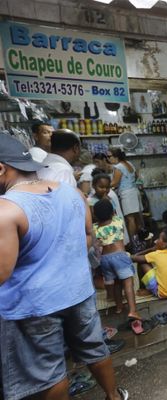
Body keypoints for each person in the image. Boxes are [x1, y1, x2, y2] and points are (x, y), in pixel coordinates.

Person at [0, 134, 128, 400]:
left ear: (2, 168)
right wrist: (65, 264)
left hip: (35, 305)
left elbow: (3, 271)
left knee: (48, 372)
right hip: (77, 291)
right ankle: (114, 396)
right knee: (94, 348)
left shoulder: (7, 209)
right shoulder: (71, 193)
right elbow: (88, 236)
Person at [93, 199, 140, 320]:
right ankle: (133, 311)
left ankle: (119, 307)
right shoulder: (118, 221)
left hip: (105, 259)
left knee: (117, 283)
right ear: (112, 213)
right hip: (119, 256)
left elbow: (96, 243)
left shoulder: (95, 228)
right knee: (128, 283)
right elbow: (122, 231)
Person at [131, 228, 167, 299]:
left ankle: (143, 289)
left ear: (165, 244)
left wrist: (151, 249)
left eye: (159, 238)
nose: (156, 240)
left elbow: (134, 258)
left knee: (142, 263)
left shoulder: (156, 254)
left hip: (163, 293)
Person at [107, 147, 143, 239]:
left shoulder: (118, 167)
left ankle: (134, 242)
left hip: (127, 194)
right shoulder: (128, 163)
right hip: (134, 191)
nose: (108, 159)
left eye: (109, 156)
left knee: (130, 219)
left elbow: (115, 182)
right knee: (136, 217)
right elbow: (135, 176)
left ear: (116, 156)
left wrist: (104, 185)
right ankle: (140, 239)